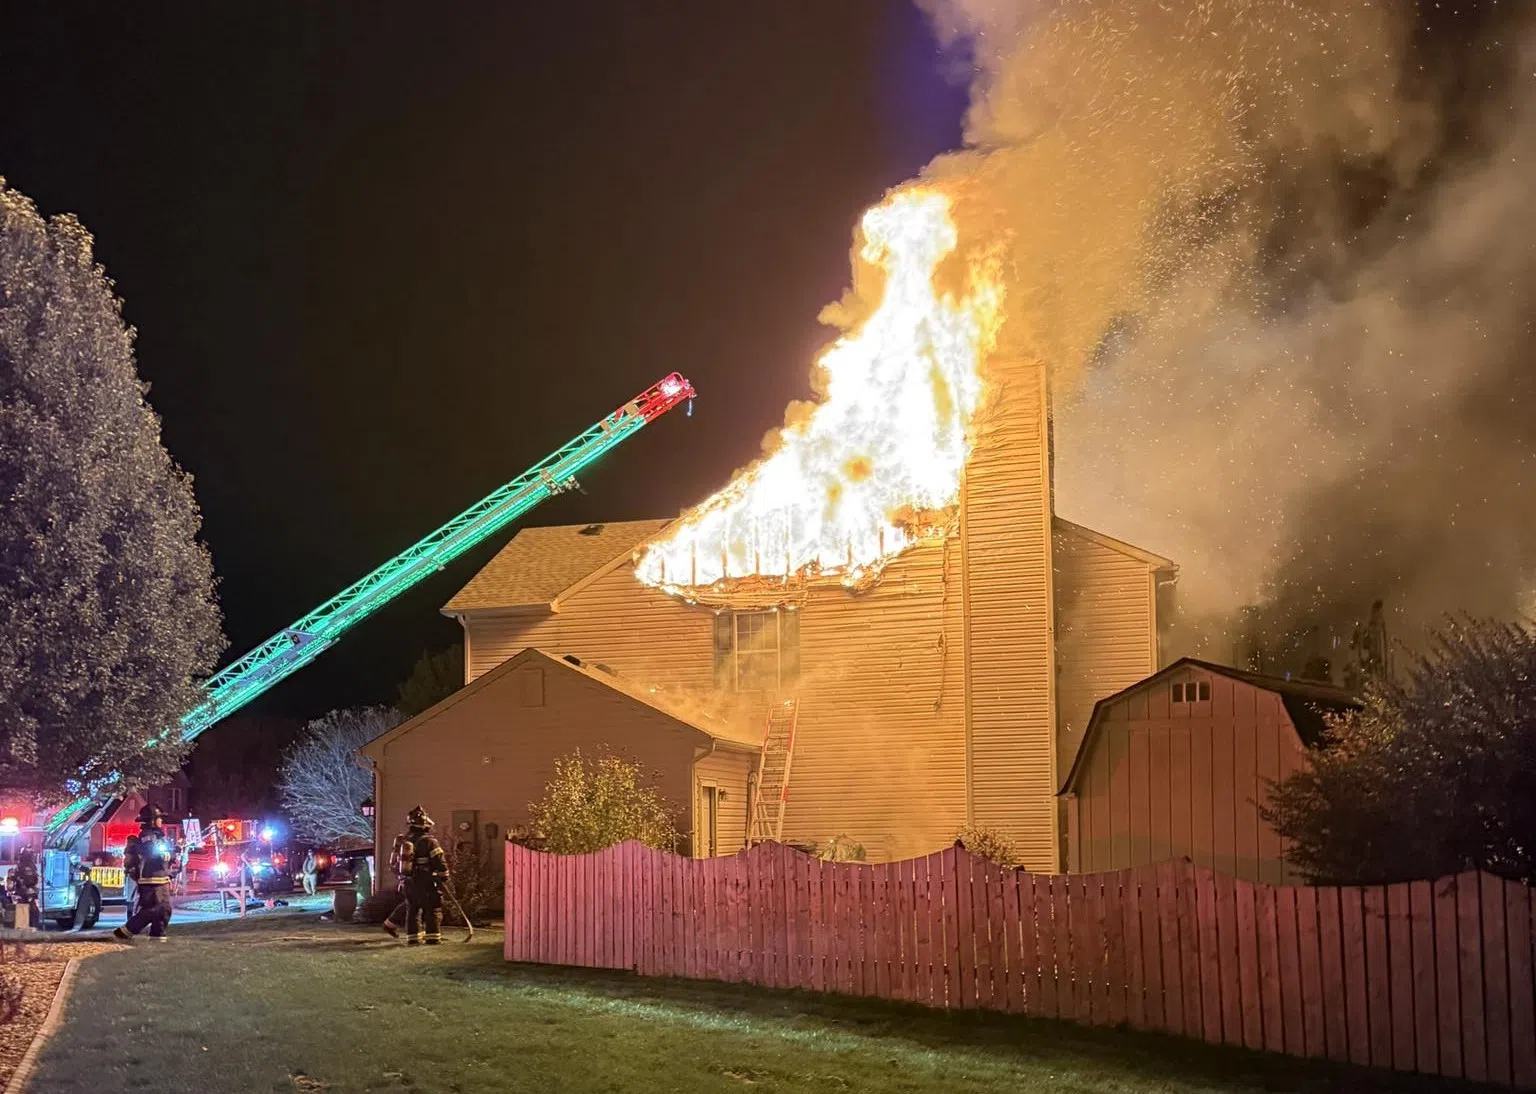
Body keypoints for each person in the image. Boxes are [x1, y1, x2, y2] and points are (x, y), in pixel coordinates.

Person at [114, 805, 175, 941]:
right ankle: (125, 931)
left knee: (164, 911)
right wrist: (169, 854)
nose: (161, 821)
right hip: (150, 880)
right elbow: (152, 853)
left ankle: (157, 939)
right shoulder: (147, 837)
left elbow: (165, 855)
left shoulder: (158, 837)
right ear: (152, 820)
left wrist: (173, 853)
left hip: (160, 879)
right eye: (159, 818)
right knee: (155, 910)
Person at [401, 806, 449, 945]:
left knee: (413, 909)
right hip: (425, 880)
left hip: (409, 880)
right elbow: (439, 860)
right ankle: (433, 938)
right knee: (432, 907)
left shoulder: (405, 840)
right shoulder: (429, 841)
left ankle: (413, 938)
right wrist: (444, 875)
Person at [380, 830, 415, 939]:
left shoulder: (404, 839)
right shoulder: (413, 841)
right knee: (412, 903)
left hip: (404, 876)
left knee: (412, 902)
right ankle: (389, 924)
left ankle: (389, 924)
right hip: (411, 877)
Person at [6, 847, 40, 929]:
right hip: (23, 895)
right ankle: (26, 928)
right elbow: (11, 881)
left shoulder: (30, 867)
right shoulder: (21, 868)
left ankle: (31, 928)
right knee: (26, 912)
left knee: (33, 912)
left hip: (29, 895)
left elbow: (35, 880)